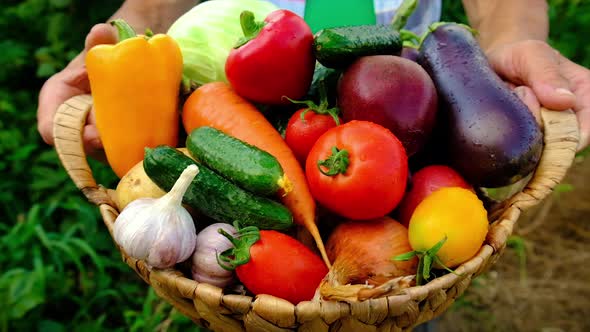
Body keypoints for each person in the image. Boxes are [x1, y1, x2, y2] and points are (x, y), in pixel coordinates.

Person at [36, 0, 590, 155]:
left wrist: (510, 43)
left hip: (409, 105)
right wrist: (126, 48)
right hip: (242, 102)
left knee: (399, 301)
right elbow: (155, 7)